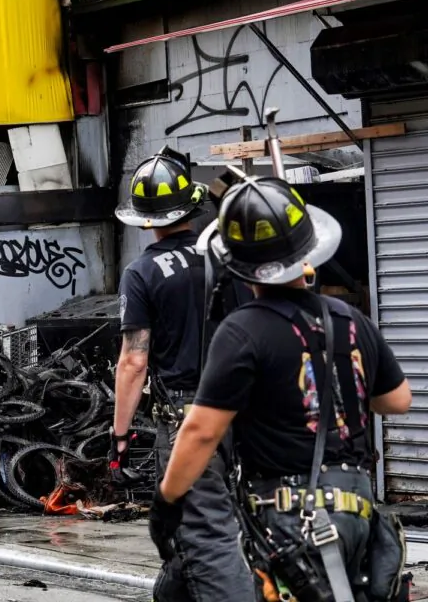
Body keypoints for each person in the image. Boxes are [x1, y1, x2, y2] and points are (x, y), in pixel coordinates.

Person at [152, 176, 412, 602]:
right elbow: (397, 400)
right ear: (308, 251)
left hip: (289, 520)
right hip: (359, 514)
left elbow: (201, 432)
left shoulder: (241, 331)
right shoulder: (349, 320)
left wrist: (167, 501)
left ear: (233, 263)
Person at [111, 147, 256, 601]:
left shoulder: (141, 273)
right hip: (246, 409)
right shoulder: (227, 259)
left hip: (187, 418)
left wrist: (119, 437)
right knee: (241, 517)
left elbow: (134, 360)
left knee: (201, 527)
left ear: (144, 220)